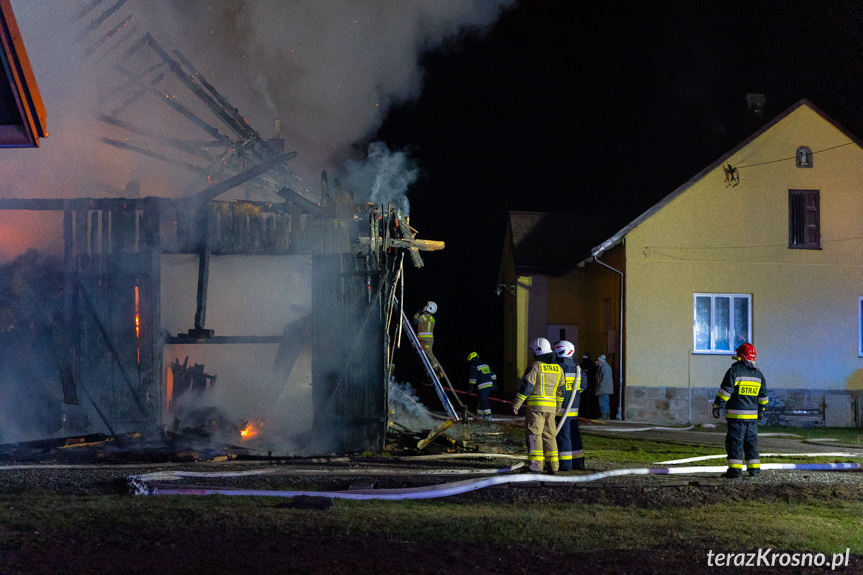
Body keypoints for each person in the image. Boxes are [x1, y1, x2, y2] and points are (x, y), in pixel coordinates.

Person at [712, 342, 769, 478]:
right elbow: (763, 396)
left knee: (735, 442)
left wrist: (717, 405)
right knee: (751, 443)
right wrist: (761, 410)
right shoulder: (759, 374)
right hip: (752, 418)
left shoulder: (734, 371)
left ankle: (735, 471)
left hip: (736, 417)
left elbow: (725, 392)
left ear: (740, 356)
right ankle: (754, 470)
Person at [512, 337, 565, 474]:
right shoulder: (558, 368)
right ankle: (554, 466)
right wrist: (558, 405)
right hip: (551, 409)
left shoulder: (536, 366)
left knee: (534, 435)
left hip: (536, 409)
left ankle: (536, 466)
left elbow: (527, 387)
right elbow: (561, 390)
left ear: (537, 351)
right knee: (550, 436)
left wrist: (517, 403)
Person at [553, 341, 585, 471]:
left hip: (561, 408)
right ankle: (579, 463)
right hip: (574, 408)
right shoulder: (578, 368)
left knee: (563, 436)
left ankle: (566, 465)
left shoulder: (558, 367)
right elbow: (583, 387)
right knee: (574, 435)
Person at [412, 301, 441, 376]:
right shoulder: (432, 318)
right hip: (426, 339)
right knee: (427, 355)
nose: (424, 307)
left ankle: (438, 371)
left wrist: (418, 313)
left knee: (429, 355)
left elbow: (415, 321)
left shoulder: (425, 316)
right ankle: (433, 372)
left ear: (429, 308)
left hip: (425, 339)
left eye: (426, 305)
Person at [466, 351, 497, 420]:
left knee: (483, 399)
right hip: (489, 384)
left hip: (482, 385)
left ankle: (488, 414)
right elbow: (493, 375)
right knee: (481, 398)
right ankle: (479, 414)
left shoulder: (474, 365)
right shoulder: (485, 364)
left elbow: (472, 379)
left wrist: (470, 390)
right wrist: (494, 384)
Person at [595, 354, 613, 420]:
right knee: (603, 403)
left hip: (603, 389)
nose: (596, 362)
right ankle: (605, 417)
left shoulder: (605, 367)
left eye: (597, 360)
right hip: (603, 389)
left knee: (603, 404)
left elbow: (604, 379)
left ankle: (604, 418)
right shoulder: (603, 367)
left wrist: (600, 388)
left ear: (601, 361)